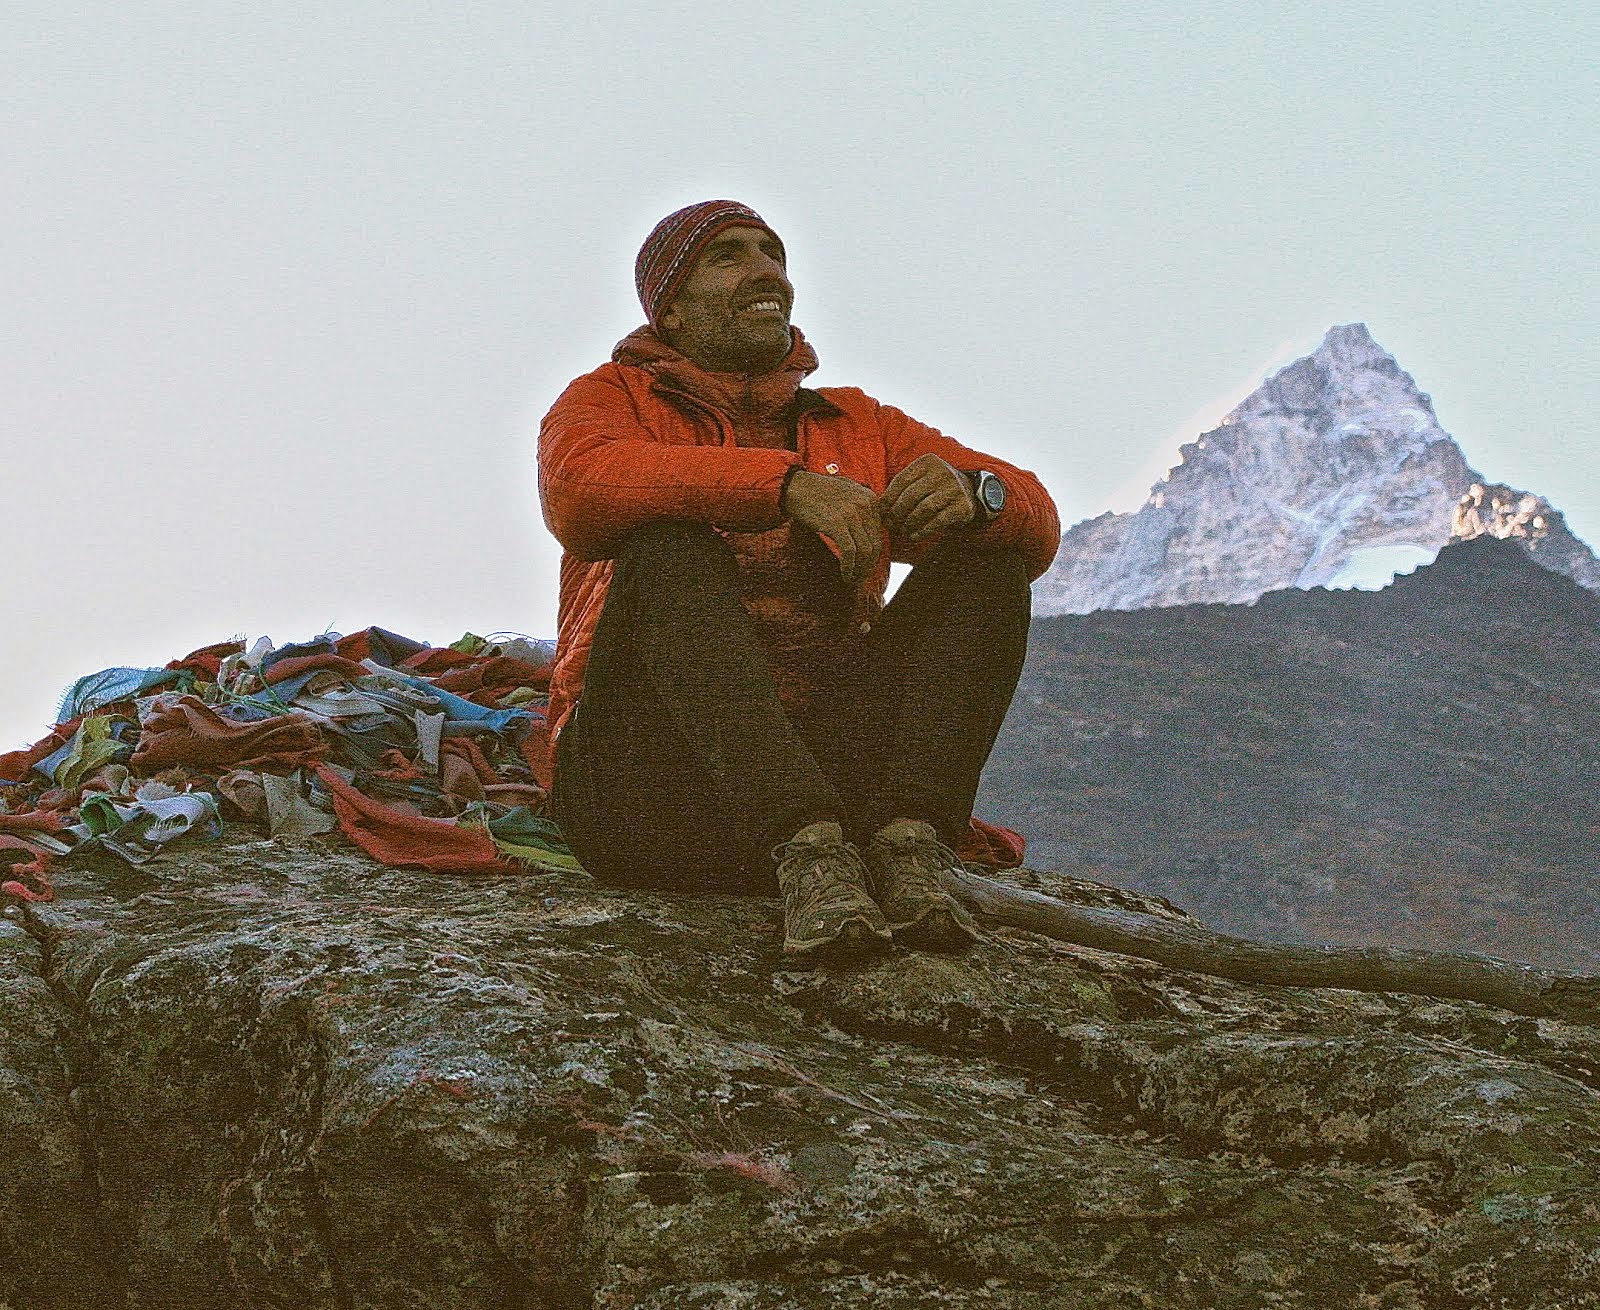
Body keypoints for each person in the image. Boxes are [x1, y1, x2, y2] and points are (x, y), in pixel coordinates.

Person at [538, 200, 1060, 962]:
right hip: (648, 794)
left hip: (831, 768)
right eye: (726, 256)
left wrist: (977, 493)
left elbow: (1037, 520)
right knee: (666, 546)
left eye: (772, 253)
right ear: (671, 310)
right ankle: (806, 848)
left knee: (988, 557)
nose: (765, 272)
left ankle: (910, 849)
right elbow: (582, 485)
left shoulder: (856, 423)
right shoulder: (610, 397)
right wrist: (782, 486)